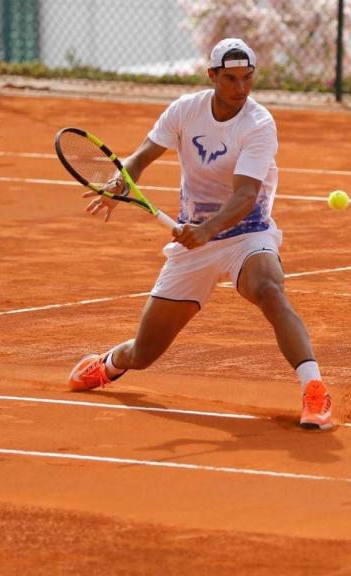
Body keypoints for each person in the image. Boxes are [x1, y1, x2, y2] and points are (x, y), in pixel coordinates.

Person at [67, 38, 333, 430]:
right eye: (230, 79)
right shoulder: (185, 110)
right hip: (194, 243)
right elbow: (139, 159)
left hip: (247, 234)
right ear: (212, 76)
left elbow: (245, 195)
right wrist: (119, 185)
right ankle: (108, 364)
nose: (240, 89)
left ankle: (314, 390)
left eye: (247, 78)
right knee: (143, 353)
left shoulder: (259, 123)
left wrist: (207, 229)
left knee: (269, 289)